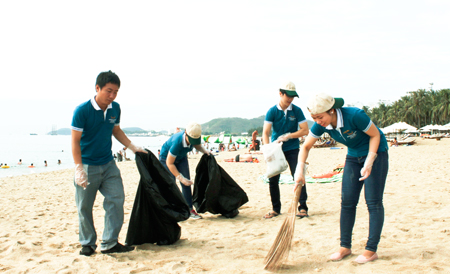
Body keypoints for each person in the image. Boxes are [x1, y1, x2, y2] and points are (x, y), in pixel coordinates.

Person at [294, 93, 389, 264]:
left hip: (376, 153)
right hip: (353, 157)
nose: (317, 121)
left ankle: (371, 250)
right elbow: (306, 146)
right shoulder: (321, 124)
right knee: (347, 202)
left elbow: (375, 135)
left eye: (320, 117)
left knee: (373, 202)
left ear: (331, 111)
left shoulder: (354, 116)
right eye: (314, 118)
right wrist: (300, 169)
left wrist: (370, 159)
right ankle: (345, 246)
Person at [71, 70, 147, 256]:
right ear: (97, 88)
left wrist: (133, 147)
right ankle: (87, 243)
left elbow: (116, 130)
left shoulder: (115, 108)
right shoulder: (82, 111)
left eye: (116, 92)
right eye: (108, 91)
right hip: (87, 165)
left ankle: (110, 243)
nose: (112, 96)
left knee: (116, 199)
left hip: (108, 163)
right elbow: (74, 141)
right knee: (84, 207)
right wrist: (79, 168)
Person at [262, 81, 309, 219]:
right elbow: (266, 132)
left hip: (293, 148)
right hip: (276, 149)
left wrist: (289, 136)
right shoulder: (272, 111)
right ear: (280, 93)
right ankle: (276, 208)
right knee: (273, 178)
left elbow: (305, 130)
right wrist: (267, 149)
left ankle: (303, 207)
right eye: (287, 96)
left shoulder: (297, 111)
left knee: (298, 176)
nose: (290, 99)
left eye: (293, 96)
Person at [159, 122, 210, 219]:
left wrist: (206, 152)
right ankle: (171, 209)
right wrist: (180, 177)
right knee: (171, 183)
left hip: (181, 158)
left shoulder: (194, 137)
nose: (192, 142)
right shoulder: (177, 142)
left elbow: (197, 145)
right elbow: (170, 163)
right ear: (186, 133)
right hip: (166, 159)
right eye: (190, 139)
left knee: (187, 182)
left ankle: (189, 209)